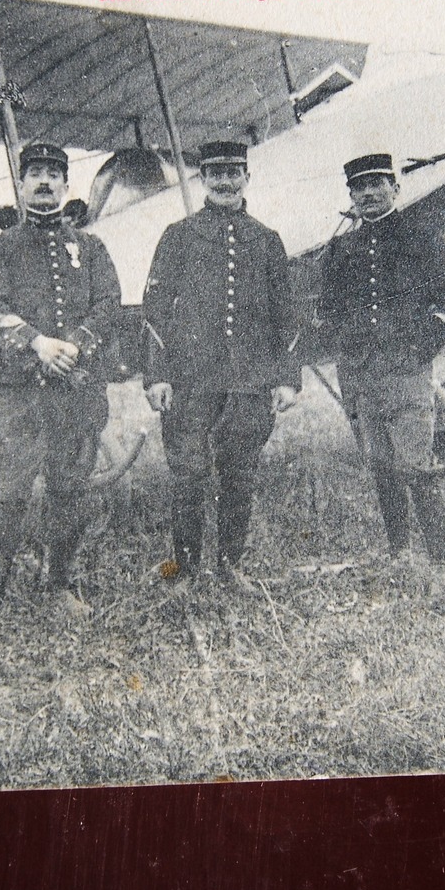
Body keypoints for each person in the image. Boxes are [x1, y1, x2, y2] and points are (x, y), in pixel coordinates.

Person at [142, 140, 300, 583]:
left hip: (249, 383)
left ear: (247, 177)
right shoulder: (179, 236)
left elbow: (287, 315)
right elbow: (153, 309)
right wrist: (156, 374)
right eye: (216, 173)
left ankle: (231, 566)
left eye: (234, 172)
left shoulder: (266, 241)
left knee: (240, 476)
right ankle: (187, 568)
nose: (226, 181)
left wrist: (287, 379)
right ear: (203, 179)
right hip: (192, 381)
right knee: (188, 475)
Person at [0, 141, 122, 600]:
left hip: (75, 392)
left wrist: (75, 346)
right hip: (19, 395)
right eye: (34, 173)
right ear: (20, 186)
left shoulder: (90, 247)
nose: (43, 181)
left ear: (64, 184)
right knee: (6, 496)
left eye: (52, 174)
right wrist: (37, 344)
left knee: (70, 492)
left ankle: (58, 586)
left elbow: (108, 304)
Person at [320, 152, 445, 560]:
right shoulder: (341, 250)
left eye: (376, 184)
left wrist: (417, 354)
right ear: (351, 195)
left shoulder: (424, 238)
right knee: (382, 467)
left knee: (416, 466)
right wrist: (348, 352)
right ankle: (399, 552)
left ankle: (442, 558)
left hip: (407, 373)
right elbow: (327, 314)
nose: (367, 194)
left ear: (395, 189)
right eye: (358, 188)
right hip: (361, 377)